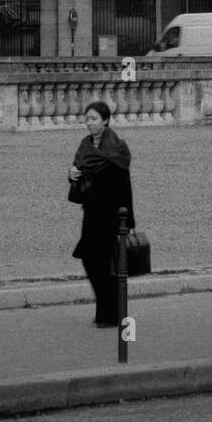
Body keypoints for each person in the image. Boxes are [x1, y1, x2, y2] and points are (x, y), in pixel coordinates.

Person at [68, 100, 135, 328]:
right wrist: (73, 175)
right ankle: (108, 309)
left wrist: (127, 221)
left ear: (105, 120)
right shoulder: (85, 146)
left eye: (93, 119)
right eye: (87, 119)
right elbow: (79, 179)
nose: (89, 123)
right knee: (90, 261)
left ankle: (110, 313)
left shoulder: (117, 147)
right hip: (91, 214)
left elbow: (125, 185)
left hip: (112, 215)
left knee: (107, 264)